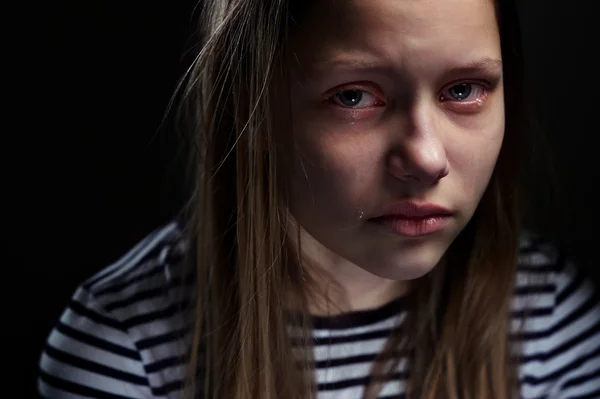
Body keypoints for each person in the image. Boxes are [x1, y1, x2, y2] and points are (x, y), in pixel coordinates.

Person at [38, 0, 600, 398]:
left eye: (463, 90)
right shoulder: (123, 351)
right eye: (354, 96)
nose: (428, 158)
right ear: (250, 109)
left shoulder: (547, 317)